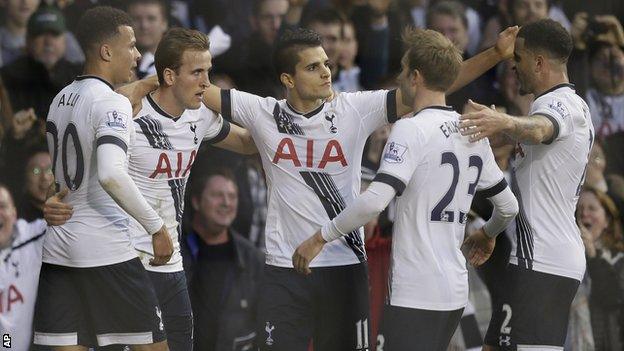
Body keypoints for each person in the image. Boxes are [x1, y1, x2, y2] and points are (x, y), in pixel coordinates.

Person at [187, 23, 516, 350]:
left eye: (327, 64)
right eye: (313, 67)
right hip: (284, 266)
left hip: (342, 265)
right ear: (288, 79)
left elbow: (433, 82)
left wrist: (496, 54)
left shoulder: (353, 110)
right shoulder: (264, 113)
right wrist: (160, 78)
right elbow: (196, 88)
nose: (326, 73)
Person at [292, 27, 518, 351]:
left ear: (415, 76)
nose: (399, 77)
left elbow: (374, 202)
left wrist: (319, 237)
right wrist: (489, 233)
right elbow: (508, 206)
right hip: (454, 291)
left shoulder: (410, 129)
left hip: (415, 291)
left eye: (402, 70)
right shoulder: (471, 132)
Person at [45, 26, 258, 351]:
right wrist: (53, 196)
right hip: (125, 261)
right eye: (198, 72)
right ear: (169, 76)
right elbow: (86, 167)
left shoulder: (199, 116)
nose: (206, 83)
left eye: (208, 72)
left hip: (171, 264)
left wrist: (285, 123)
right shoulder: (128, 113)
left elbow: (245, 143)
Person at [32, 6, 172, 350]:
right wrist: (157, 227)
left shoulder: (59, 99)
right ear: (106, 51)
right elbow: (111, 174)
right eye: (132, 45)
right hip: (107, 251)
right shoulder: (112, 103)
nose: (138, 55)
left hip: (59, 254)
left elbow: (62, 176)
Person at [459, 19, 595, 350]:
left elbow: (540, 130)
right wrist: (491, 231)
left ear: (538, 62)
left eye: (517, 58)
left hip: (543, 260)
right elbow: (527, 195)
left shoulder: (560, 104)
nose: (513, 66)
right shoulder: (557, 104)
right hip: (535, 259)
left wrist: (500, 121)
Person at [182, 168, 265, 351]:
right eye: (217, 195)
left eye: (232, 196)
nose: (226, 203)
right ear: (196, 201)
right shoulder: (176, 252)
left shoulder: (253, 259)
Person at [0, 184, 47, 351]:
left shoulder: (30, 238)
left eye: (2, 206)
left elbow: (60, 223)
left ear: (14, 213)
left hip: (8, 342)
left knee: (6, 340)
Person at [577, 187, 624, 351]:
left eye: (592, 208)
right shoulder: (568, 259)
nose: (584, 214)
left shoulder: (619, 259)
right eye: (579, 209)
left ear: (607, 221)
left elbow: (612, 297)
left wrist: (592, 253)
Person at [127, 0, 169, 79]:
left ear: (164, 23)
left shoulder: (177, 65)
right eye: (137, 19)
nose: (144, 26)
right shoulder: (115, 67)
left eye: (151, 19)